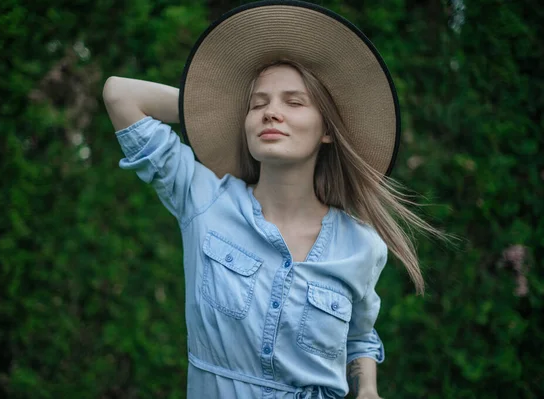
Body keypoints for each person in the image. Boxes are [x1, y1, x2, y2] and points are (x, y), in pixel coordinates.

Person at [103, 1, 445, 398]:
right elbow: (120, 94)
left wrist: (367, 389)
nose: (271, 113)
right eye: (258, 104)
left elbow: (360, 338)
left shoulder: (361, 245)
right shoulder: (204, 201)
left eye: (294, 102)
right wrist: (214, 109)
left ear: (327, 131)